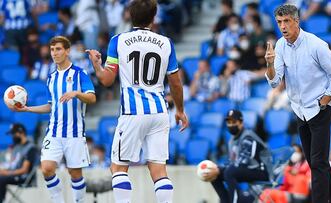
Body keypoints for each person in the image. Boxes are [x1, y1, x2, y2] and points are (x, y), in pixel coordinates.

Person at [86, 0, 189, 202]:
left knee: (118, 167)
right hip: (159, 112)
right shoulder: (166, 43)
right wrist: (179, 110)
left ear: (130, 16)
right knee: (159, 170)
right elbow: (175, 83)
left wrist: (97, 65)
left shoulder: (118, 40)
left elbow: (107, 80)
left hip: (133, 112)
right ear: (153, 17)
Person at [264, 4, 331, 203]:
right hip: (299, 110)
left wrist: (325, 99)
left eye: (286, 21)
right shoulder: (281, 45)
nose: (283, 27)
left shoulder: (316, 45)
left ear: (297, 21)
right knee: (315, 162)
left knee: (318, 162)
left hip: (320, 108)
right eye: (279, 22)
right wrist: (269, 64)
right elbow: (275, 81)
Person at [12, 36, 96, 203]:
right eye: (52, 50)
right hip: (54, 132)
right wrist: (28, 108)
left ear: (67, 51)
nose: (54, 53)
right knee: (46, 168)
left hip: (75, 133)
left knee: (75, 175)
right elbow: (51, 106)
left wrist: (76, 93)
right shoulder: (51, 78)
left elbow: (92, 98)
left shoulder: (80, 74)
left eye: (58, 49)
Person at [203, 110, 270, 203]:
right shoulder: (232, 140)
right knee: (214, 173)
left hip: (261, 171)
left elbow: (243, 162)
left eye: (234, 122)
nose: (231, 125)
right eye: (229, 122)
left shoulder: (248, 137)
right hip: (247, 170)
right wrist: (217, 169)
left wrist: (220, 169)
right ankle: (225, 201)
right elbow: (232, 162)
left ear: (241, 122)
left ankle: (236, 200)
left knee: (229, 172)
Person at [0, 123, 38, 202]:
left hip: (23, 177)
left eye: (14, 134)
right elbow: (11, 163)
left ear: (21, 133)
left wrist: (6, 173)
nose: (12, 137)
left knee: (1, 179)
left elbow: (24, 170)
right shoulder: (16, 147)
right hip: (12, 174)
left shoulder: (31, 148)